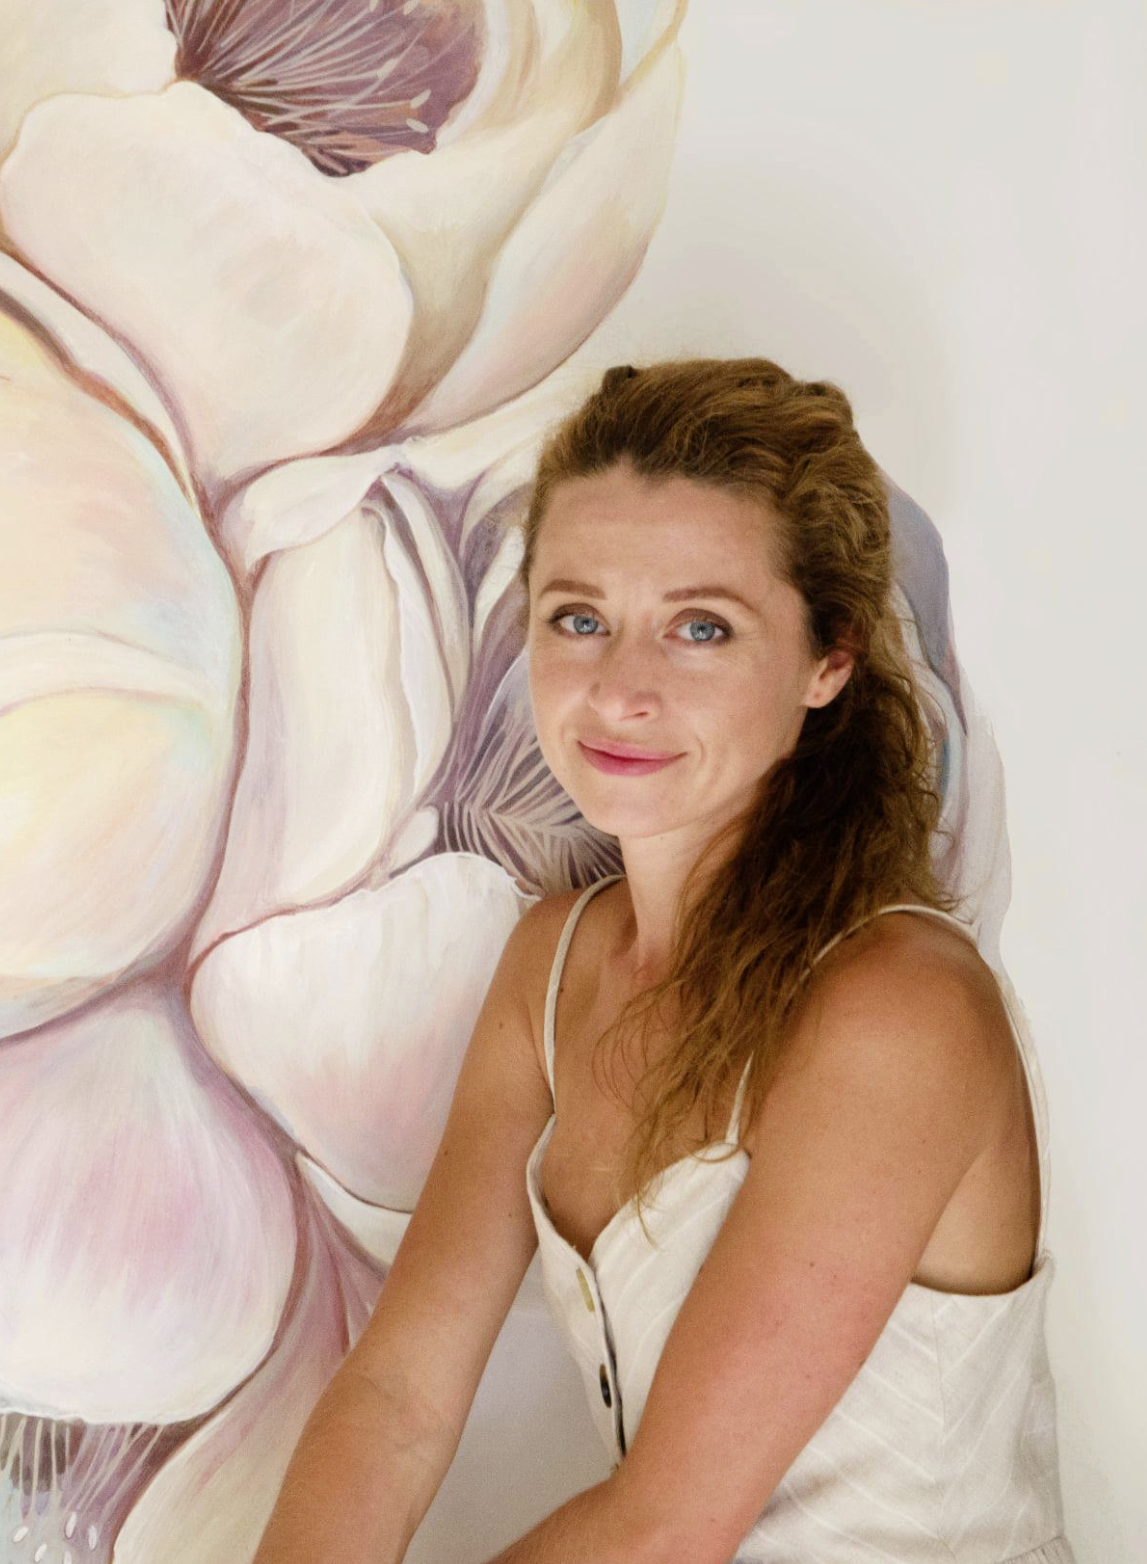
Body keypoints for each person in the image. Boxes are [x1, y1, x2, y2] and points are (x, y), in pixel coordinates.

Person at [250, 359, 1072, 1564]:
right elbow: (397, 1401)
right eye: (578, 617)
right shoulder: (551, 966)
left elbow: (669, 1524)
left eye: (700, 628)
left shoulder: (897, 1009)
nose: (619, 690)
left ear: (828, 660)